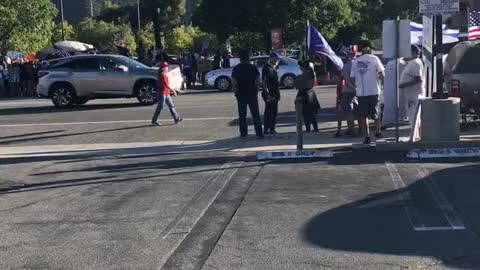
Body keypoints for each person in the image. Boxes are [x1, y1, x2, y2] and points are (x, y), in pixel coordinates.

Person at [350, 40, 385, 144]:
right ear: (369, 48)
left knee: (363, 116)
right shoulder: (374, 59)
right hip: (374, 90)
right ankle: (378, 132)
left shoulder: (355, 61)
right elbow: (382, 74)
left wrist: (359, 83)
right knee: (376, 113)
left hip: (361, 93)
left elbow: (352, 77)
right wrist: (375, 78)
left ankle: (367, 136)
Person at [232, 49, 263, 138]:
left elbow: (233, 81)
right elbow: (257, 80)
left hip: (241, 92)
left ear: (240, 59)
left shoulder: (237, 68)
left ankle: (243, 132)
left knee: (242, 114)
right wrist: (256, 90)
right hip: (251, 91)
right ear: (248, 58)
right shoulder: (253, 67)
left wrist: (235, 91)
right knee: (255, 113)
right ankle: (259, 132)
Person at [151, 62, 183, 126]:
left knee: (171, 106)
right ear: (163, 68)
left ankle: (176, 118)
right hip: (162, 93)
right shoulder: (162, 75)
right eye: (166, 67)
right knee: (160, 107)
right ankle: (154, 120)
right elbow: (166, 85)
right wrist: (173, 91)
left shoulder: (164, 74)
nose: (167, 68)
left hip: (166, 92)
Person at [336, 47, 358, 137]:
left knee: (348, 112)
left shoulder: (348, 65)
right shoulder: (358, 63)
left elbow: (346, 79)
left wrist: (353, 88)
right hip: (359, 91)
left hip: (348, 91)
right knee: (358, 112)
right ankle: (356, 130)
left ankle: (351, 131)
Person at [399, 45, 424, 126]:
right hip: (410, 95)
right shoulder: (413, 62)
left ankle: (415, 136)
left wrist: (404, 85)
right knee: (413, 117)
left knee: (414, 117)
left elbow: (418, 79)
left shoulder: (415, 62)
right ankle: (415, 135)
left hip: (413, 95)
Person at [296, 61, 321, 132]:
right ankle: (311, 128)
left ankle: (312, 128)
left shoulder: (306, 75)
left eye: (301, 66)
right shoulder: (308, 74)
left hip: (306, 93)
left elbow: (298, 86)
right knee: (307, 113)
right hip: (309, 93)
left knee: (308, 113)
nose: (300, 67)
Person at [262, 52, 281, 134]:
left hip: (275, 92)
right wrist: (267, 93)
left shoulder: (273, 68)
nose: (277, 61)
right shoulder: (266, 68)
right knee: (269, 111)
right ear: (272, 58)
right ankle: (267, 128)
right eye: (276, 59)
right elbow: (264, 81)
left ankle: (271, 128)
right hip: (270, 93)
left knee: (274, 111)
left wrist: (278, 93)